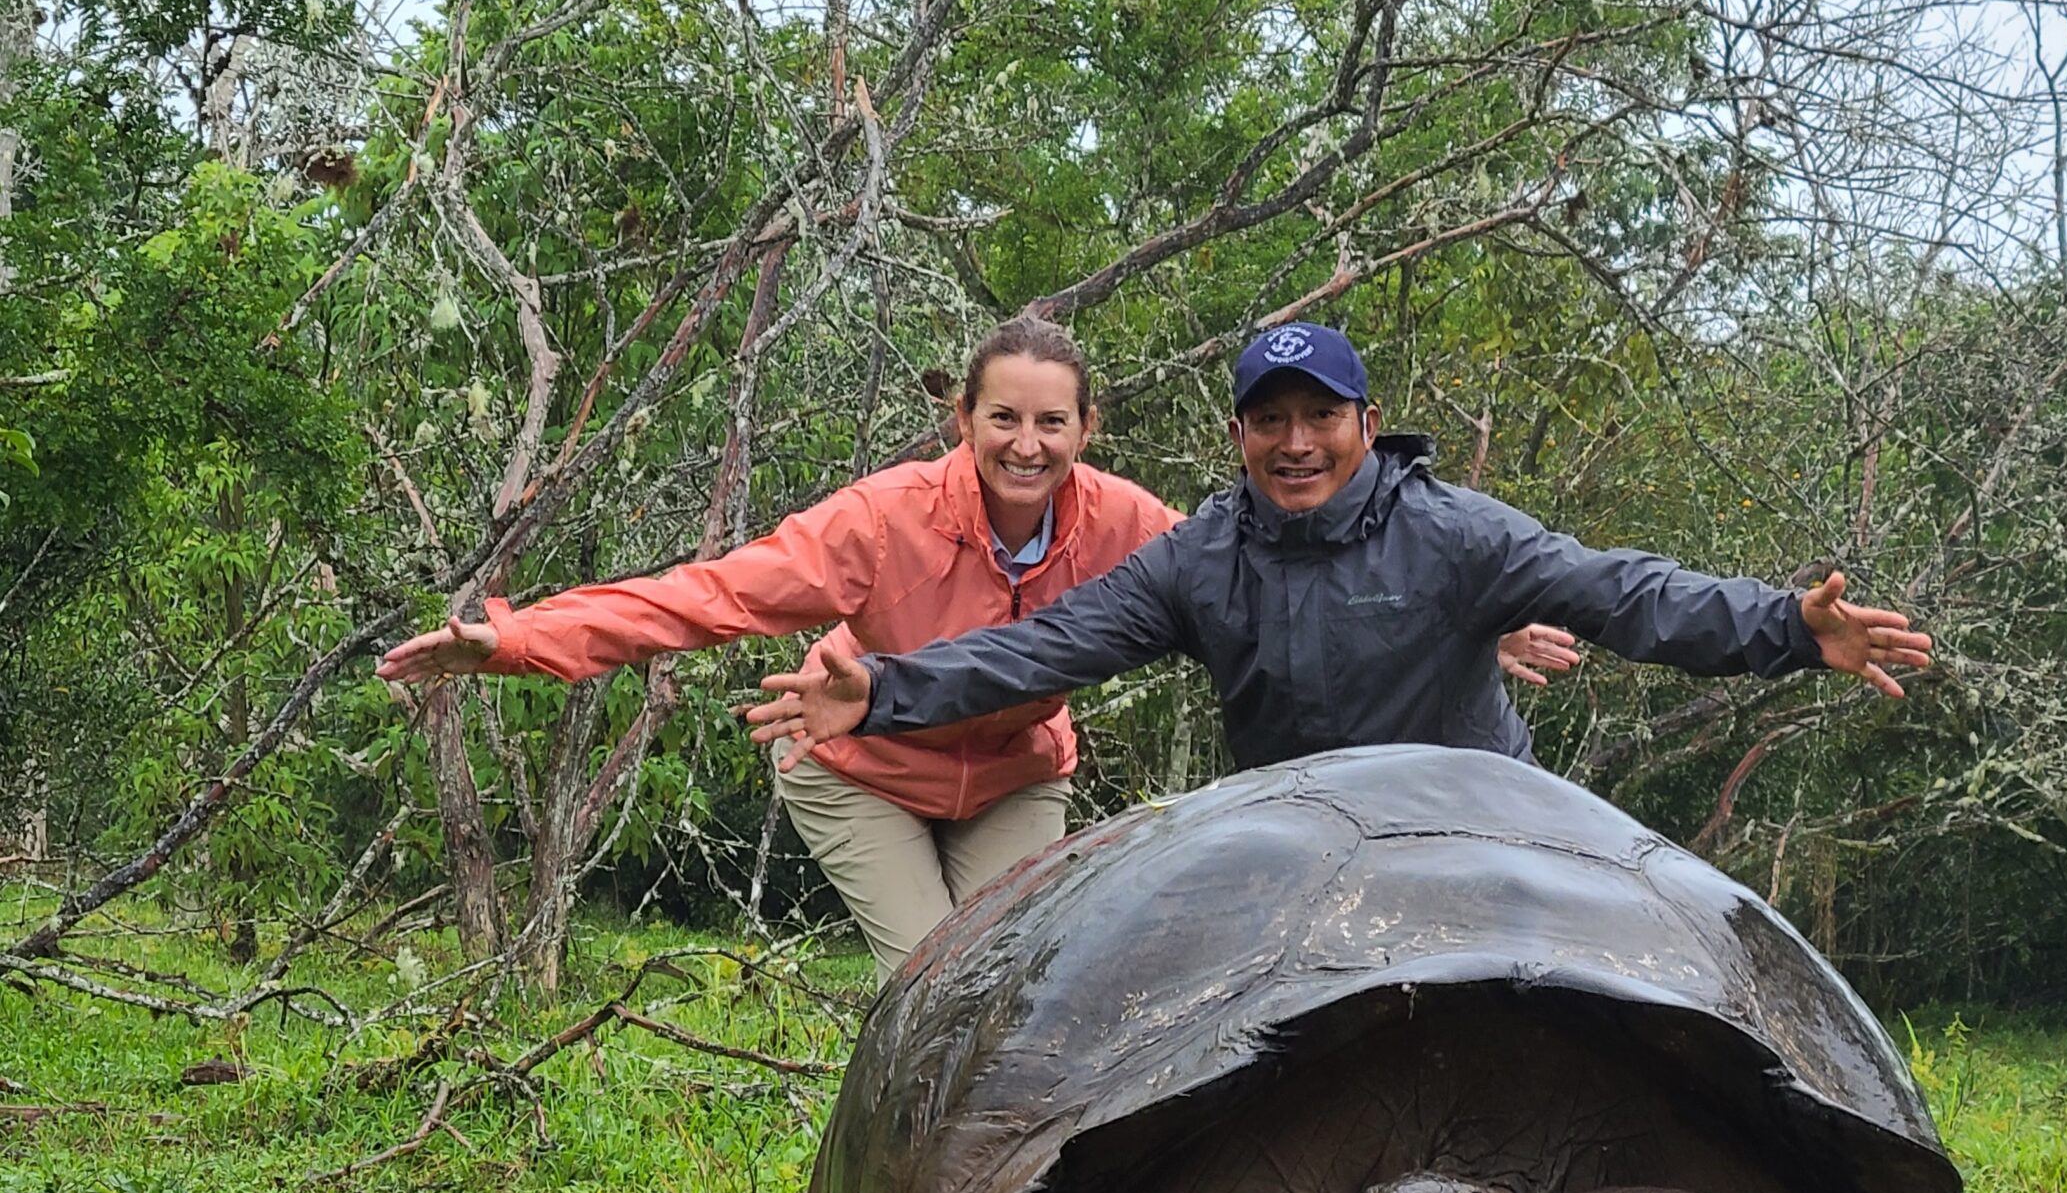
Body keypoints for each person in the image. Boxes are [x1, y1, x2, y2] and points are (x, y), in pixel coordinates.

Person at [378, 316, 1582, 967]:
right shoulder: (872, 524)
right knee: (933, 973)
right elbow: (702, 598)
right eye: (1001, 417)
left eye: (1050, 422)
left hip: (1013, 772)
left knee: (1020, 968)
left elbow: (1284, 572)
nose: (1026, 442)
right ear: (962, 419)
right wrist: (522, 640)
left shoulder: (1129, 525)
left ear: (1084, 428)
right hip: (864, 770)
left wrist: (1465, 612)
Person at [746, 322, 1931, 780]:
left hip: (1473, 813)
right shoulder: (1197, 560)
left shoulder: (1455, 535)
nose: (1297, 443)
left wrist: (1787, 626)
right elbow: (1045, 646)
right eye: (1272, 420)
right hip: (1290, 831)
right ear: (1240, 435)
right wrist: (884, 692)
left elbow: (1621, 593)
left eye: (1322, 418)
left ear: (1369, 424)